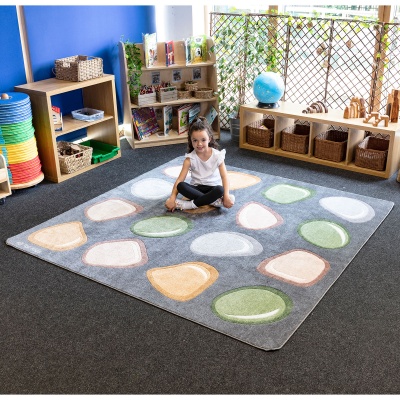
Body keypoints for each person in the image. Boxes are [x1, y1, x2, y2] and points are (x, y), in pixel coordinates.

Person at [165, 116, 235, 212]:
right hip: (197, 189)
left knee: (220, 190)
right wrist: (172, 198)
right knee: (181, 186)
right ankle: (214, 202)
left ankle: (188, 205)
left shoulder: (218, 156)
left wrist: (226, 196)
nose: (199, 144)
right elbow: (180, 180)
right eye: (195, 140)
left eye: (203, 140)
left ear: (209, 139)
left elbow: (224, 177)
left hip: (213, 188)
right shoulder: (189, 159)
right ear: (191, 141)